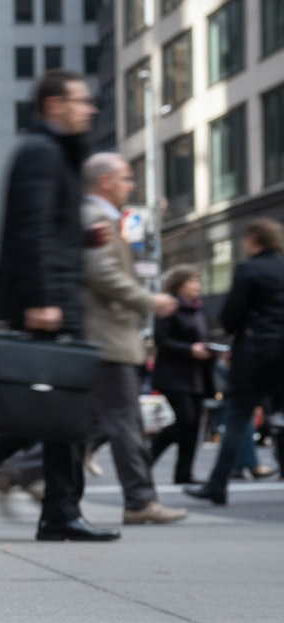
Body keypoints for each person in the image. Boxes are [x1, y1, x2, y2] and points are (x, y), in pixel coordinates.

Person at [0, 70, 121, 542]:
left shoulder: (53, 152)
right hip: (49, 299)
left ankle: (50, 506)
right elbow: (30, 229)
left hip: (56, 293)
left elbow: (49, 228)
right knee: (60, 409)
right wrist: (42, 300)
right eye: (81, 101)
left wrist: (83, 236)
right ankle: (44, 503)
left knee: (58, 410)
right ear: (55, 104)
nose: (91, 109)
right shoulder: (41, 152)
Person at [77, 153, 185, 525]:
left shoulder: (103, 218)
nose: (131, 185)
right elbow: (103, 273)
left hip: (105, 336)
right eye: (125, 178)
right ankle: (139, 500)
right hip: (108, 336)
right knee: (125, 422)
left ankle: (20, 469)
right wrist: (149, 300)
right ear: (105, 181)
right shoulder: (97, 218)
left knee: (92, 422)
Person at [185, 218, 284, 505]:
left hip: (255, 354)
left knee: (238, 417)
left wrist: (234, 338)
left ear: (253, 239)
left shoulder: (248, 269)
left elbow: (231, 316)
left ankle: (217, 484)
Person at [148, 266, 214, 484]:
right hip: (173, 375)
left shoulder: (198, 309)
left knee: (194, 424)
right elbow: (162, 340)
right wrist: (189, 349)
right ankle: (146, 460)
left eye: (198, 281)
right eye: (192, 281)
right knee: (185, 420)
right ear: (179, 285)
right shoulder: (168, 307)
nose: (197, 286)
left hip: (196, 375)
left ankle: (184, 474)